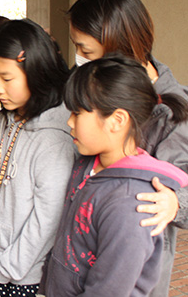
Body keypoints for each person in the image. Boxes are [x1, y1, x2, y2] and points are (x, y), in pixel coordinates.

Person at [67, 0, 188, 297]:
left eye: (85, 51)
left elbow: (180, 187)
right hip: (81, 251)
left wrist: (177, 203)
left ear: (120, 50)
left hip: (131, 273)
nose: (78, 58)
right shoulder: (93, 87)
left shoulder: (173, 111)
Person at [43, 55, 188, 296]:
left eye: (77, 113)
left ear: (117, 120)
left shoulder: (131, 204)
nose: (69, 121)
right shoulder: (87, 165)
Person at [0, 19, 75, 297]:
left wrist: (2, 269)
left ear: (38, 72)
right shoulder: (0, 123)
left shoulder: (54, 138)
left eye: (6, 78)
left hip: (30, 278)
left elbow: (46, 222)